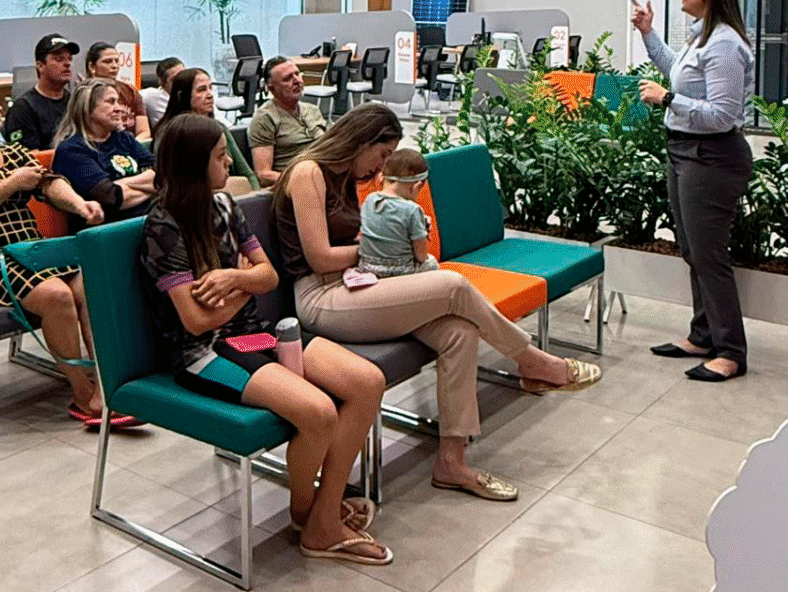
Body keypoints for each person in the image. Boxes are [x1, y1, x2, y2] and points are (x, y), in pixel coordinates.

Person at [274, 103, 602, 501]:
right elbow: (320, 258)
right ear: (362, 141)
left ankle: (451, 462)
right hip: (322, 296)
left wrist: (379, 251)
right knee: (452, 285)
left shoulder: (344, 176)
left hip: (359, 284)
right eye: (382, 154)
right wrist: (382, 251)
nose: (381, 168)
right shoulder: (308, 172)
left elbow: (358, 244)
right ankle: (531, 360)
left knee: (459, 332)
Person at [140, 113, 390, 565]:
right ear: (195, 165)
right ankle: (309, 517)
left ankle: (323, 512)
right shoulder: (163, 227)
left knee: (367, 382)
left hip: (254, 334)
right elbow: (195, 323)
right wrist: (245, 285)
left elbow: (269, 276)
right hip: (204, 355)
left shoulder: (224, 205)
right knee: (318, 412)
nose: (228, 164)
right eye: (220, 156)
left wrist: (234, 279)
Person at [0, 81, 138, 428]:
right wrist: (11, 183)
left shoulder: (11, 152)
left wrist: (79, 205)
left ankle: (105, 383)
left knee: (91, 282)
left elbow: (50, 182)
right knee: (56, 295)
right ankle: (83, 396)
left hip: (30, 250)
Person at [631, 0, 754, 382]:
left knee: (709, 255)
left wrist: (667, 100)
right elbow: (677, 73)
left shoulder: (724, 45)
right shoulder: (702, 35)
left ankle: (730, 352)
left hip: (712, 156)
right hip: (685, 151)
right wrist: (648, 34)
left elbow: (721, 115)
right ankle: (703, 336)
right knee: (692, 249)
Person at [52, 78, 155, 224]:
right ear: (88, 109)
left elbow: (162, 176)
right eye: (111, 102)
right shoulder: (72, 150)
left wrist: (117, 184)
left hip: (148, 217)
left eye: (118, 101)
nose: (119, 108)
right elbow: (110, 198)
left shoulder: (123, 138)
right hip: (109, 228)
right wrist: (152, 188)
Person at [154, 67, 259, 193]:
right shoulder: (169, 134)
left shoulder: (219, 128)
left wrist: (257, 197)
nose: (210, 94)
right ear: (183, 96)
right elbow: (171, 180)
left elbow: (247, 173)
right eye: (201, 90)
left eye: (210, 88)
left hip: (232, 194)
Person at [357, 148, 439, 277]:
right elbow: (421, 256)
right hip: (401, 272)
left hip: (367, 269)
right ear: (417, 186)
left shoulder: (369, 200)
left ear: (381, 178)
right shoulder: (412, 210)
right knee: (432, 262)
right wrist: (422, 231)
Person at [248, 56, 327, 187]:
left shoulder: (312, 110)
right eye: (287, 79)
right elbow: (263, 175)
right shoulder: (265, 118)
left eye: (297, 74)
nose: (297, 81)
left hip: (325, 176)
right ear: (272, 88)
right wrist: (303, 179)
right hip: (295, 185)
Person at [3, 34, 78, 151]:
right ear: (41, 66)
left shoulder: (75, 102)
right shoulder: (23, 108)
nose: (67, 64)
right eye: (59, 59)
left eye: (70, 59)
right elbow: (29, 157)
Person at [84, 41, 149, 139]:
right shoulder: (85, 93)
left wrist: (131, 145)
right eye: (107, 61)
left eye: (117, 61)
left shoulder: (130, 91)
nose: (114, 66)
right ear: (92, 66)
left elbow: (144, 131)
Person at [141, 56, 183, 129]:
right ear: (162, 83)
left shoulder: (193, 94)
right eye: (175, 79)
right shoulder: (152, 95)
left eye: (183, 75)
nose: (182, 80)